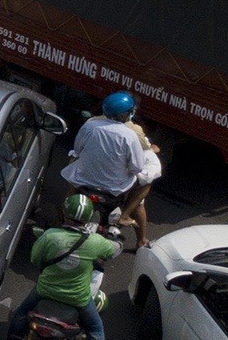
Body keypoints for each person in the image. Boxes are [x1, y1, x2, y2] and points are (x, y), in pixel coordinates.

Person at [2, 194, 120, 340]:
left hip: (44, 291)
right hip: (78, 298)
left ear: (64, 214)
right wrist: (117, 240)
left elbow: (35, 259)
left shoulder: (50, 236)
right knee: (95, 329)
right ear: (88, 218)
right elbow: (113, 251)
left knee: (21, 314)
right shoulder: (95, 242)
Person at [63, 90, 159, 247]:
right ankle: (124, 216)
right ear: (126, 114)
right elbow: (136, 167)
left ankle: (63, 214)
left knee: (73, 169)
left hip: (84, 179)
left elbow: (78, 150)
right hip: (114, 187)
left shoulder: (90, 125)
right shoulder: (130, 135)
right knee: (146, 183)